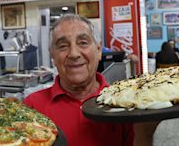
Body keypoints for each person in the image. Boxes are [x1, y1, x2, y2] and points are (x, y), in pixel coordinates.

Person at [23, 14, 157, 146]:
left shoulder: (123, 103)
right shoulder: (32, 106)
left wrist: (145, 133)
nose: (74, 54)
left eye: (83, 43)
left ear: (98, 50)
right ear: (52, 55)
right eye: (63, 46)